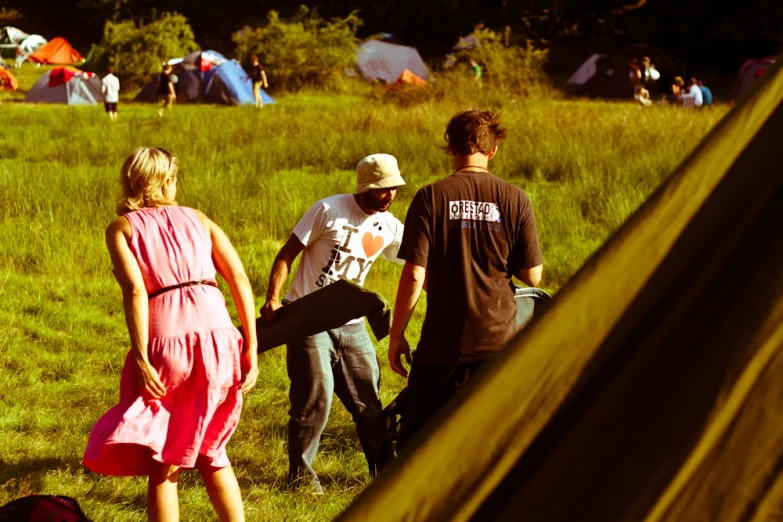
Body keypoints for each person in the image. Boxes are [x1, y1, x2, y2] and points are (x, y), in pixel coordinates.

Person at [83, 147, 259, 522]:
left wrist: (143, 357)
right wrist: (252, 348)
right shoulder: (199, 218)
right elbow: (240, 279)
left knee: (164, 459)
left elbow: (134, 291)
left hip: (168, 339)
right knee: (214, 449)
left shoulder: (122, 228)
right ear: (166, 180)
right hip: (220, 336)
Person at [389, 109, 543, 449]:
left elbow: (415, 273)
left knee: (421, 445)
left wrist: (397, 335)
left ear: (451, 147)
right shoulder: (516, 199)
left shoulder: (431, 196)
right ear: (493, 151)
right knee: (494, 442)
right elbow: (532, 275)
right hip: (499, 342)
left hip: (443, 345)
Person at [261, 153, 406, 493]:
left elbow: (416, 265)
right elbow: (287, 253)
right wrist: (272, 299)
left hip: (353, 326)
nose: (389, 196)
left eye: (394, 189)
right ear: (365, 186)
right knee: (315, 401)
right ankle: (301, 480)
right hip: (309, 320)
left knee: (369, 405)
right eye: (383, 189)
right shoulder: (328, 210)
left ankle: (386, 475)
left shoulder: (390, 226)